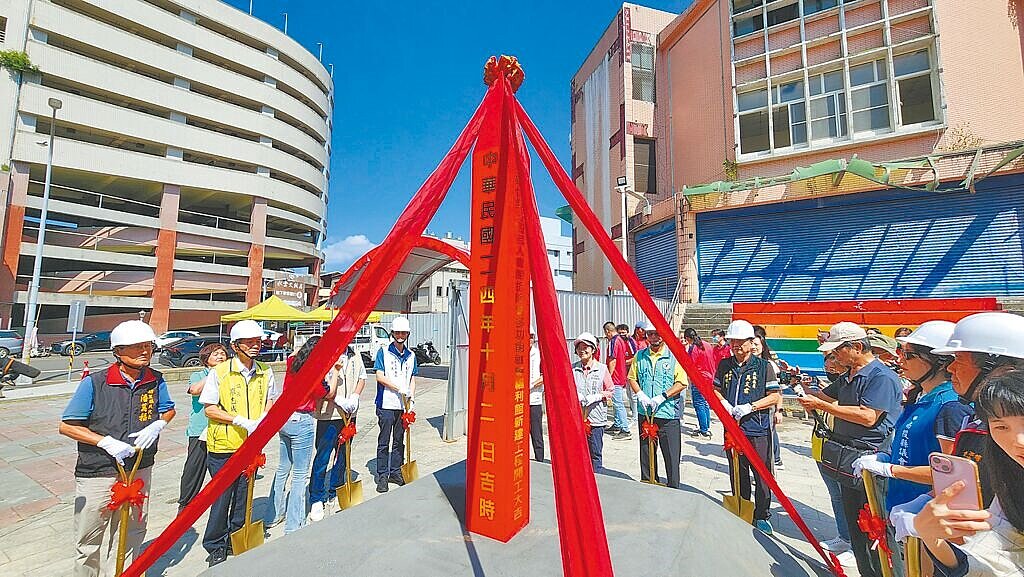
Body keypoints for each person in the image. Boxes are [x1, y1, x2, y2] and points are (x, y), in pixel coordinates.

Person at [59, 320, 175, 577]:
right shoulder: (95, 383)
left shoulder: (155, 379)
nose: (145, 351)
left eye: (148, 346)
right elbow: (67, 426)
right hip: (98, 470)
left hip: (139, 467)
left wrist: (158, 425)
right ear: (118, 351)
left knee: (133, 531)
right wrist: (105, 442)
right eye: (137, 347)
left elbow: (168, 409)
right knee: (89, 537)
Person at [797, 321, 903, 577]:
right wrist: (802, 389)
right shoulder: (848, 376)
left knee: (876, 527)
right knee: (856, 526)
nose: (834, 356)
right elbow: (824, 396)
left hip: (871, 459)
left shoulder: (881, 377)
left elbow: (868, 417)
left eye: (838, 350)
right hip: (847, 460)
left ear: (857, 347)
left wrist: (824, 407)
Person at [908, 369, 1024, 577]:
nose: (1018, 441)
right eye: (1001, 427)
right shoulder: (1010, 483)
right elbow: (997, 560)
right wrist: (931, 537)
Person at [852, 322, 971, 513]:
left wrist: (890, 469)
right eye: (901, 352)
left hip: (924, 512)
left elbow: (951, 474)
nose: (900, 360)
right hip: (901, 502)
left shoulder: (950, 406)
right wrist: (887, 457)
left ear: (939, 361)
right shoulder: (921, 396)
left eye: (909, 355)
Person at [200, 319, 274, 567]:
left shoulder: (265, 370)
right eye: (249, 342)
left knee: (244, 496)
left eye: (258, 342)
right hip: (224, 444)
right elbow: (210, 408)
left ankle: (237, 537)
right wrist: (240, 420)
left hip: (251, 445)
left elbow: (269, 400)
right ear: (235, 346)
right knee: (222, 497)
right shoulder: (220, 372)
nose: (255, 346)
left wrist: (263, 418)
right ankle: (215, 544)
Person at [931, 312, 1024, 506]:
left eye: (959, 359)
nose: (950, 368)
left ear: (1000, 368)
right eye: (1001, 426)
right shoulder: (977, 420)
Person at [714, 319, 782, 534]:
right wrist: (724, 404)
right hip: (732, 428)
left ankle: (762, 514)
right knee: (737, 470)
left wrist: (751, 407)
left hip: (757, 428)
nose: (735, 345)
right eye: (732, 341)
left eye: (740, 342)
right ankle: (742, 506)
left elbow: (774, 396)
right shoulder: (725, 365)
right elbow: (715, 389)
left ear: (751, 342)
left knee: (761, 473)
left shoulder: (763, 367)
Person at [265, 336, 321, 534]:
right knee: (300, 474)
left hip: (284, 417)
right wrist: (335, 373)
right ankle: (294, 524)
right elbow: (324, 392)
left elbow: (294, 355)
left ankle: (273, 515)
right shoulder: (315, 371)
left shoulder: (292, 362)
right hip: (302, 419)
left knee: (283, 468)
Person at [308, 345, 365, 521]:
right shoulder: (324, 353)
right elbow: (319, 385)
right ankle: (316, 497)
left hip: (349, 414)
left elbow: (362, 377)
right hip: (329, 414)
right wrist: (337, 399)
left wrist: (355, 396)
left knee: (343, 455)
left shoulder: (355, 353)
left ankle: (336, 489)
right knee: (323, 456)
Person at [629, 321, 688, 489]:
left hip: (668, 414)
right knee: (646, 454)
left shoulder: (674, 356)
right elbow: (632, 378)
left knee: (671, 456)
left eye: (657, 333)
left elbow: (681, 382)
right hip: (646, 414)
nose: (654, 337)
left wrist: (663, 397)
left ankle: (673, 488)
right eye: (650, 334)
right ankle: (649, 484)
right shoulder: (640, 356)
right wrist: (640, 394)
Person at [177, 342, 228, 512]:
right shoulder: (199, 375)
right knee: (194, 468)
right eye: (215, 354)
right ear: (206, 359)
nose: (220, 356)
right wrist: (215, 373)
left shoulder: (230, 375)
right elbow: (195, 390)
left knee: (221, 470)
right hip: (200, 429)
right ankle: (185, 506)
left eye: (222, 353)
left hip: (222, 430)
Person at [372, 316, 417, 493]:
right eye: (397, 333)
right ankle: (382, 475)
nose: (400, 336)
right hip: (386, 403)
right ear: (392, 333)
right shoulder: (383, 352)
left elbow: (412, 378)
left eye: (403, 333)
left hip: (403, 405)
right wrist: (398, 388)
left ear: (408, 334)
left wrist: (411, 397)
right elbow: (379, 376)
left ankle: (396, 471)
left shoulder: (411, 355)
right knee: (384, 441)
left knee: (399, 440)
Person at [572, 332, 614, 470]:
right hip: (578, 418)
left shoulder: (602, 369)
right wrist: (575, 395)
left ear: (593, 349)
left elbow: (611, 390)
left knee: (595, 453)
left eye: (586, 347)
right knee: (578, 454)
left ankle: (597, 477)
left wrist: (598, 396)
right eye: (579, 348)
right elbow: (567, 388)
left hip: (596, 419)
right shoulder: (573, 368)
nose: (582, 350)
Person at [752, 333, 785, 470]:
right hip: (753, 410)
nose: (753, 347)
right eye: (751, 344)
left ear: (763, 346)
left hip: (767, 409)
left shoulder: (769, 365)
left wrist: (779, 410)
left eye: (756, 344)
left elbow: (778, 391)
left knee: (769, 436)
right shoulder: (747, 364)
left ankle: (774, 462)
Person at [683, 327, 714, 438]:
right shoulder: (707, 344)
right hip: (709, 377)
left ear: (687, 338)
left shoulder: (694, 348)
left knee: (699, 403)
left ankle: (703, 430)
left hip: (699, 378)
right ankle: (706, 426)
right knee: (705, 403)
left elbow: (690, 364)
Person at [605, 321, 633, 440]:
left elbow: (613, 360)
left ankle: (625, 430)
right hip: (621, 375)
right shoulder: (621, 340)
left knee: (618, 403)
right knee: (617, 402)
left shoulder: (613, 341)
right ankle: (617, 424)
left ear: (608, 331)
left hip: (615, 377)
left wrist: (608, 376)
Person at [528, 327, 545, 461]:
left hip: (534, 399)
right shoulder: (516, 352)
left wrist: (531, 385)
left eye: (531, 336)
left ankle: (539, 459)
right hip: (518, 399)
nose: (529, 339)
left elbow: (545, 376)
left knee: (536, 432)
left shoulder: (539, 354)